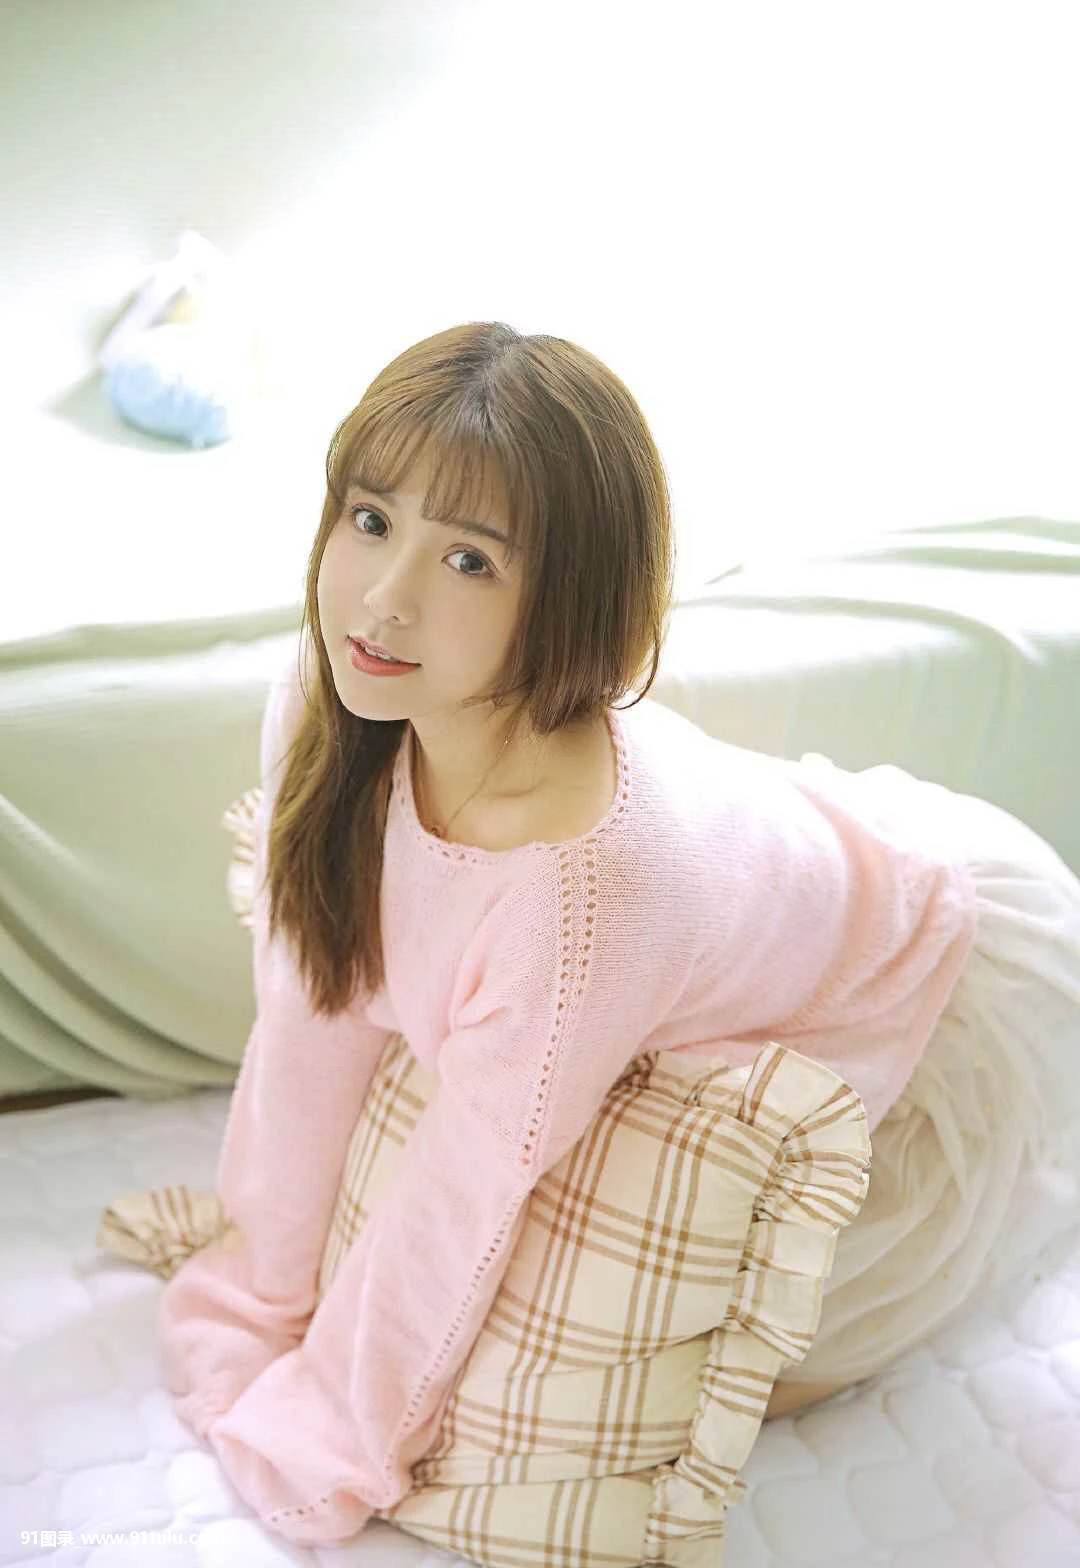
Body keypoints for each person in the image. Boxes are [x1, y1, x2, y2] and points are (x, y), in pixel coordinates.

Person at [156, 321, 1080, 1544]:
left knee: (663, 1364)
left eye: (470, 558)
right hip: (754, 874)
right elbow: (307, 1007)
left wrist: (329, 1424)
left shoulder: (578, 886)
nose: (384, 596)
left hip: (923, 977)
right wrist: (257, 1287)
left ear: (570, 597)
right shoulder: (335, 705)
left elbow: (459, 1199)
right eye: (371, 519)